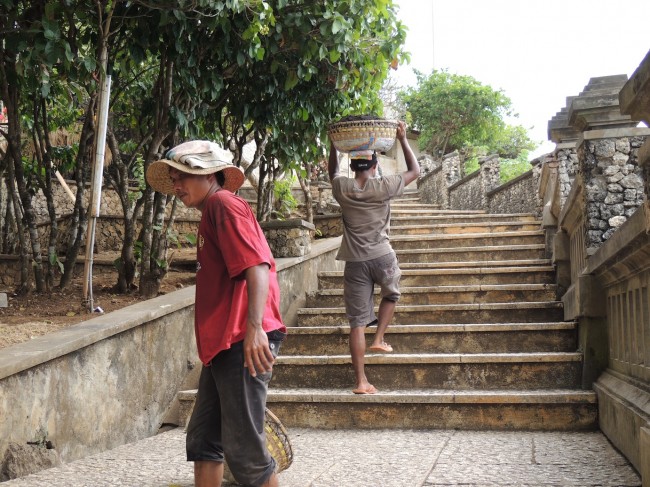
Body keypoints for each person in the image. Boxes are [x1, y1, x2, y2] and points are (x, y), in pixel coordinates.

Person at [146, 140, 287, 487]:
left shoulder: (223, 204)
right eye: (175, 178)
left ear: (210, 175)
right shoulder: (214, 210)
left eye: (184, 177)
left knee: (245, 451)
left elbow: (257, 266)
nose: (177, 186)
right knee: (204, 439)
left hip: (242, 337)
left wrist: (254, 329)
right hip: (224, 343)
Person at [328, 120, 420, 395]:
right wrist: (403, 139)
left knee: (357, 323)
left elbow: (332, 171)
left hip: (354, 262)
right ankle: (380, 337)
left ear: (354, 165)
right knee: (391, 295)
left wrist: (332, 146)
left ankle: (361, 382)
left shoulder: (342, 188)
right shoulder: (384, 186)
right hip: (383, 257)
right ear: (374, 166)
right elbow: (415, 171)